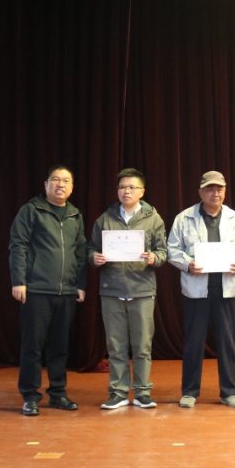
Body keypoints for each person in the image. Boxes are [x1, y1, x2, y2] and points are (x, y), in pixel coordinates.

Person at [167, 171, 235, 408]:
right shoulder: (184, 218)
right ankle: (189, 392)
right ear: (200, 192)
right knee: (193, 342)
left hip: (226, 289)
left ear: (225, 192)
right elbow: (172, 250)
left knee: (227, 342)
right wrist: (188, 263)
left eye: (219, 189)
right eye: (209, 189)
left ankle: (229, 392)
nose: (215, 193)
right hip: (196, 289)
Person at [9, 164, 87, 416]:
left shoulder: (75, 215)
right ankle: (30, 396)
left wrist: (80, 284)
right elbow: (18, 246)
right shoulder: (31, 210)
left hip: (66, 292)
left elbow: (80, 252)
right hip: (36, 290)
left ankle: (58, 393)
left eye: (66, 181)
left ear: (72, 187)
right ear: (46, 184)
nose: (60, 184)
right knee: (32, 346)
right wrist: (18, 281)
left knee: (59, 346)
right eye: (55, 179)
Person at [88, 168, 169, 410]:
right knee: (116, 346)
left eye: (132, 187)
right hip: (111, 289)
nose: (127, 191)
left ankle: (142, 392)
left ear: (142, 191)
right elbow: (91, 249)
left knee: (142, 346)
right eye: (122, 187)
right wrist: (94, 258)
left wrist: (154, 258)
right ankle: (118, 392)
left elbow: (163, 252)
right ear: (117, 191)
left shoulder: (154, 219)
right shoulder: (105, 218)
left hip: (142, 290)